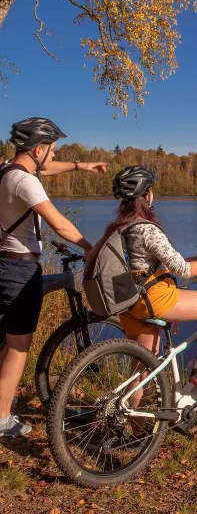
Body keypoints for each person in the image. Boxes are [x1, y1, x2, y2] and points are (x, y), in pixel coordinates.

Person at [0, 117, 107, 437]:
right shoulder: (26, 183)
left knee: (5, 340)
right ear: (38, 149)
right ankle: (2, 419)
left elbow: (45, 169)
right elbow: (59, 223)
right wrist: (89, 247)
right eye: (52, 150)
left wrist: (80, 166)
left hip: (5, 262)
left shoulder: (7, 170)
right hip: (19, 268)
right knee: (19, 347)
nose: (52, 156)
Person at [102, 165, 197, 398]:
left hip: (129, 301)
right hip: (153, 299)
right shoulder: (147, 229)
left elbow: (142, 264)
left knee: (141, 371)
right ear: (146, 195)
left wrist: (184, 260)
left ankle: (134, 429)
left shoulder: (120, 227)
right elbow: (184, 271)